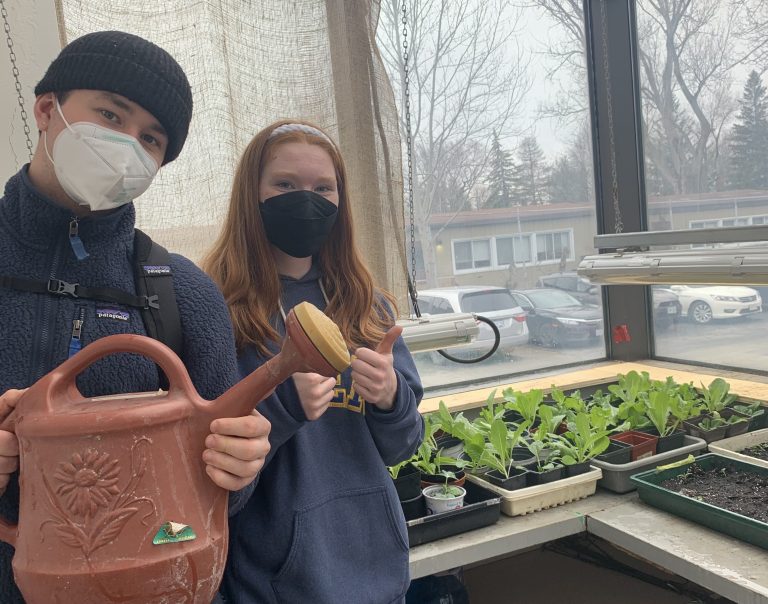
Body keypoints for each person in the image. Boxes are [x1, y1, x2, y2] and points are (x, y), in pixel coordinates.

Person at [0, 31, 271, 603]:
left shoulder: (182, 294)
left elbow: (213, 502)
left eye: (150, 138)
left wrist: (237, 466)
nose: (127, 144)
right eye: (109, 115)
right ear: (46, 110)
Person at [203, 120, 425, 603]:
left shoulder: (368, 305)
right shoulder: (216, 309)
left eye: (323, 187)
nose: (306, 200)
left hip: (377, 570)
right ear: (252, 195)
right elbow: (204, 465)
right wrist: (283, 407)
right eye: (284, 185)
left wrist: (391, 398)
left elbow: (404, 444)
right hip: (275, 583)